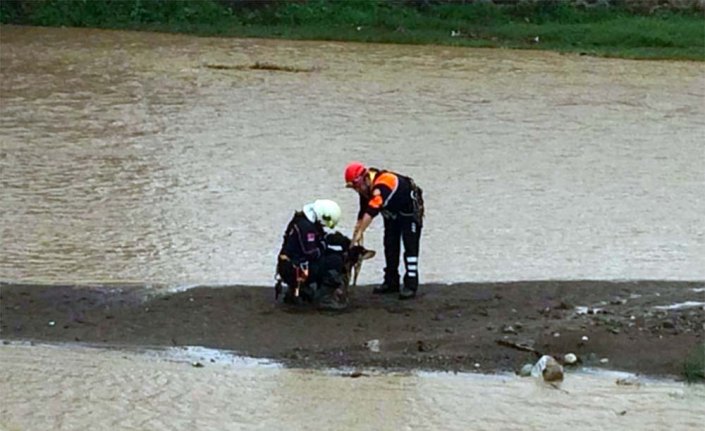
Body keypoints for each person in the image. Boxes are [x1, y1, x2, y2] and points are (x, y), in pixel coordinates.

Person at [344, 162, 424, 300]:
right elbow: (363, 210)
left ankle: (411, 283)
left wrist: (361, 231)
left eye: (357, 186)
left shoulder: (383, 184)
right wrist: (357, 229)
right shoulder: (365, 189)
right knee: (390, 245)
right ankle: (391, 281)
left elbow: (373, 209)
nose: (358, 190)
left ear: (366, 178)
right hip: (391, 213)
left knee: (410, 247)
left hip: (409, 212)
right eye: (355, 188)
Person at [275, 199, 347, 310]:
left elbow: (319, 239)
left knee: (330, 256)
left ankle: (298, 291)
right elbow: (312, 253)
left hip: (289, 266)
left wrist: (338, 241)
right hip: (295, 270)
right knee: (335, 260)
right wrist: (329, 248)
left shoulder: (303, 220)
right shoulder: (306, 227)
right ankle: (325, 299)